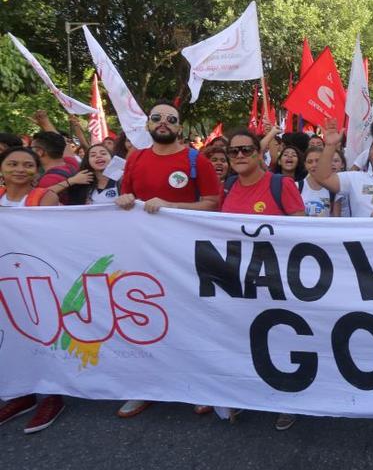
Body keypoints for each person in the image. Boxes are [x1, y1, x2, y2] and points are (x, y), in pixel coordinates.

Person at [113, 101, 220, 419]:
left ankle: (200, 386)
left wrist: (170, 205)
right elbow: (125, 198)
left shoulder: (195, 159)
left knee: (189, 320)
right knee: (144, 319)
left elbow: (213, 203)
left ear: (179, 127)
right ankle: (145, 386)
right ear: (148, 125)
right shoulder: (136, 158)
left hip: (184, 255)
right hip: (142, 254)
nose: (163, 123)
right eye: (156, 118)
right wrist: (124, 199)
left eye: (170, 119)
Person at [218, 129, 303, 430]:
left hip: (277, 281)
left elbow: (303, 232)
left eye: (246, 150)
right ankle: (247, 395)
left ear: (259, 153)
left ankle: (286, 400)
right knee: (243, 339)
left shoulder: (282, 185)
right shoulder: (227, 187)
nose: (239, 156)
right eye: (233, 151)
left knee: (278, 340)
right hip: (238, 282)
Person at [0, 146, 65, 433]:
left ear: (36, 171)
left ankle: (53, 395)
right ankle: (21, 394)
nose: (19, 169)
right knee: (11, 337)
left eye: (27, 165)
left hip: (39, 279)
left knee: (44, 333)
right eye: (12, 163)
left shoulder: (44, 198)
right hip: (6, 282)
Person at [30, 131, 79, 204]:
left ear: (40, 152)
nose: (29, 153)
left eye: (31, 149)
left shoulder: (47, 181)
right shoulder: (72, 164)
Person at [301, 146, 341, 217]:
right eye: (310, 162)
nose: (314, 165)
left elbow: (336, 220)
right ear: (305, 165)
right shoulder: (296, 186)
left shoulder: (333, 189)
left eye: (318, 161)